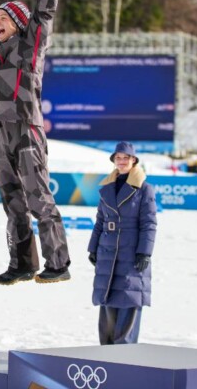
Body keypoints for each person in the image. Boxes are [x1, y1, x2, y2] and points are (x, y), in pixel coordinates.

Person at [0, 0, 71, 284]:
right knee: (12, 202)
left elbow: (46, 8)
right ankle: (22, 263)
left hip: (27, 129)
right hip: (3, 131)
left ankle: (58, 263)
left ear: (17, 24)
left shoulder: (30, 46)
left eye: (4, 19)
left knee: (38, 199)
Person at [87, 142, 157, 344]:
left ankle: (125, 355)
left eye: (126, 157)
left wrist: (144, 252)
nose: (122, 161)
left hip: (131, 254)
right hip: (108, 253)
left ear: (134, 160)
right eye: (118, 157)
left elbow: (149, 223)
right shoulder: (107, 187)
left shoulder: (144, 189)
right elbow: (100, 221)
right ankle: (106, 353)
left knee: (128, 300)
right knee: (108, 301)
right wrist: (93, 248)